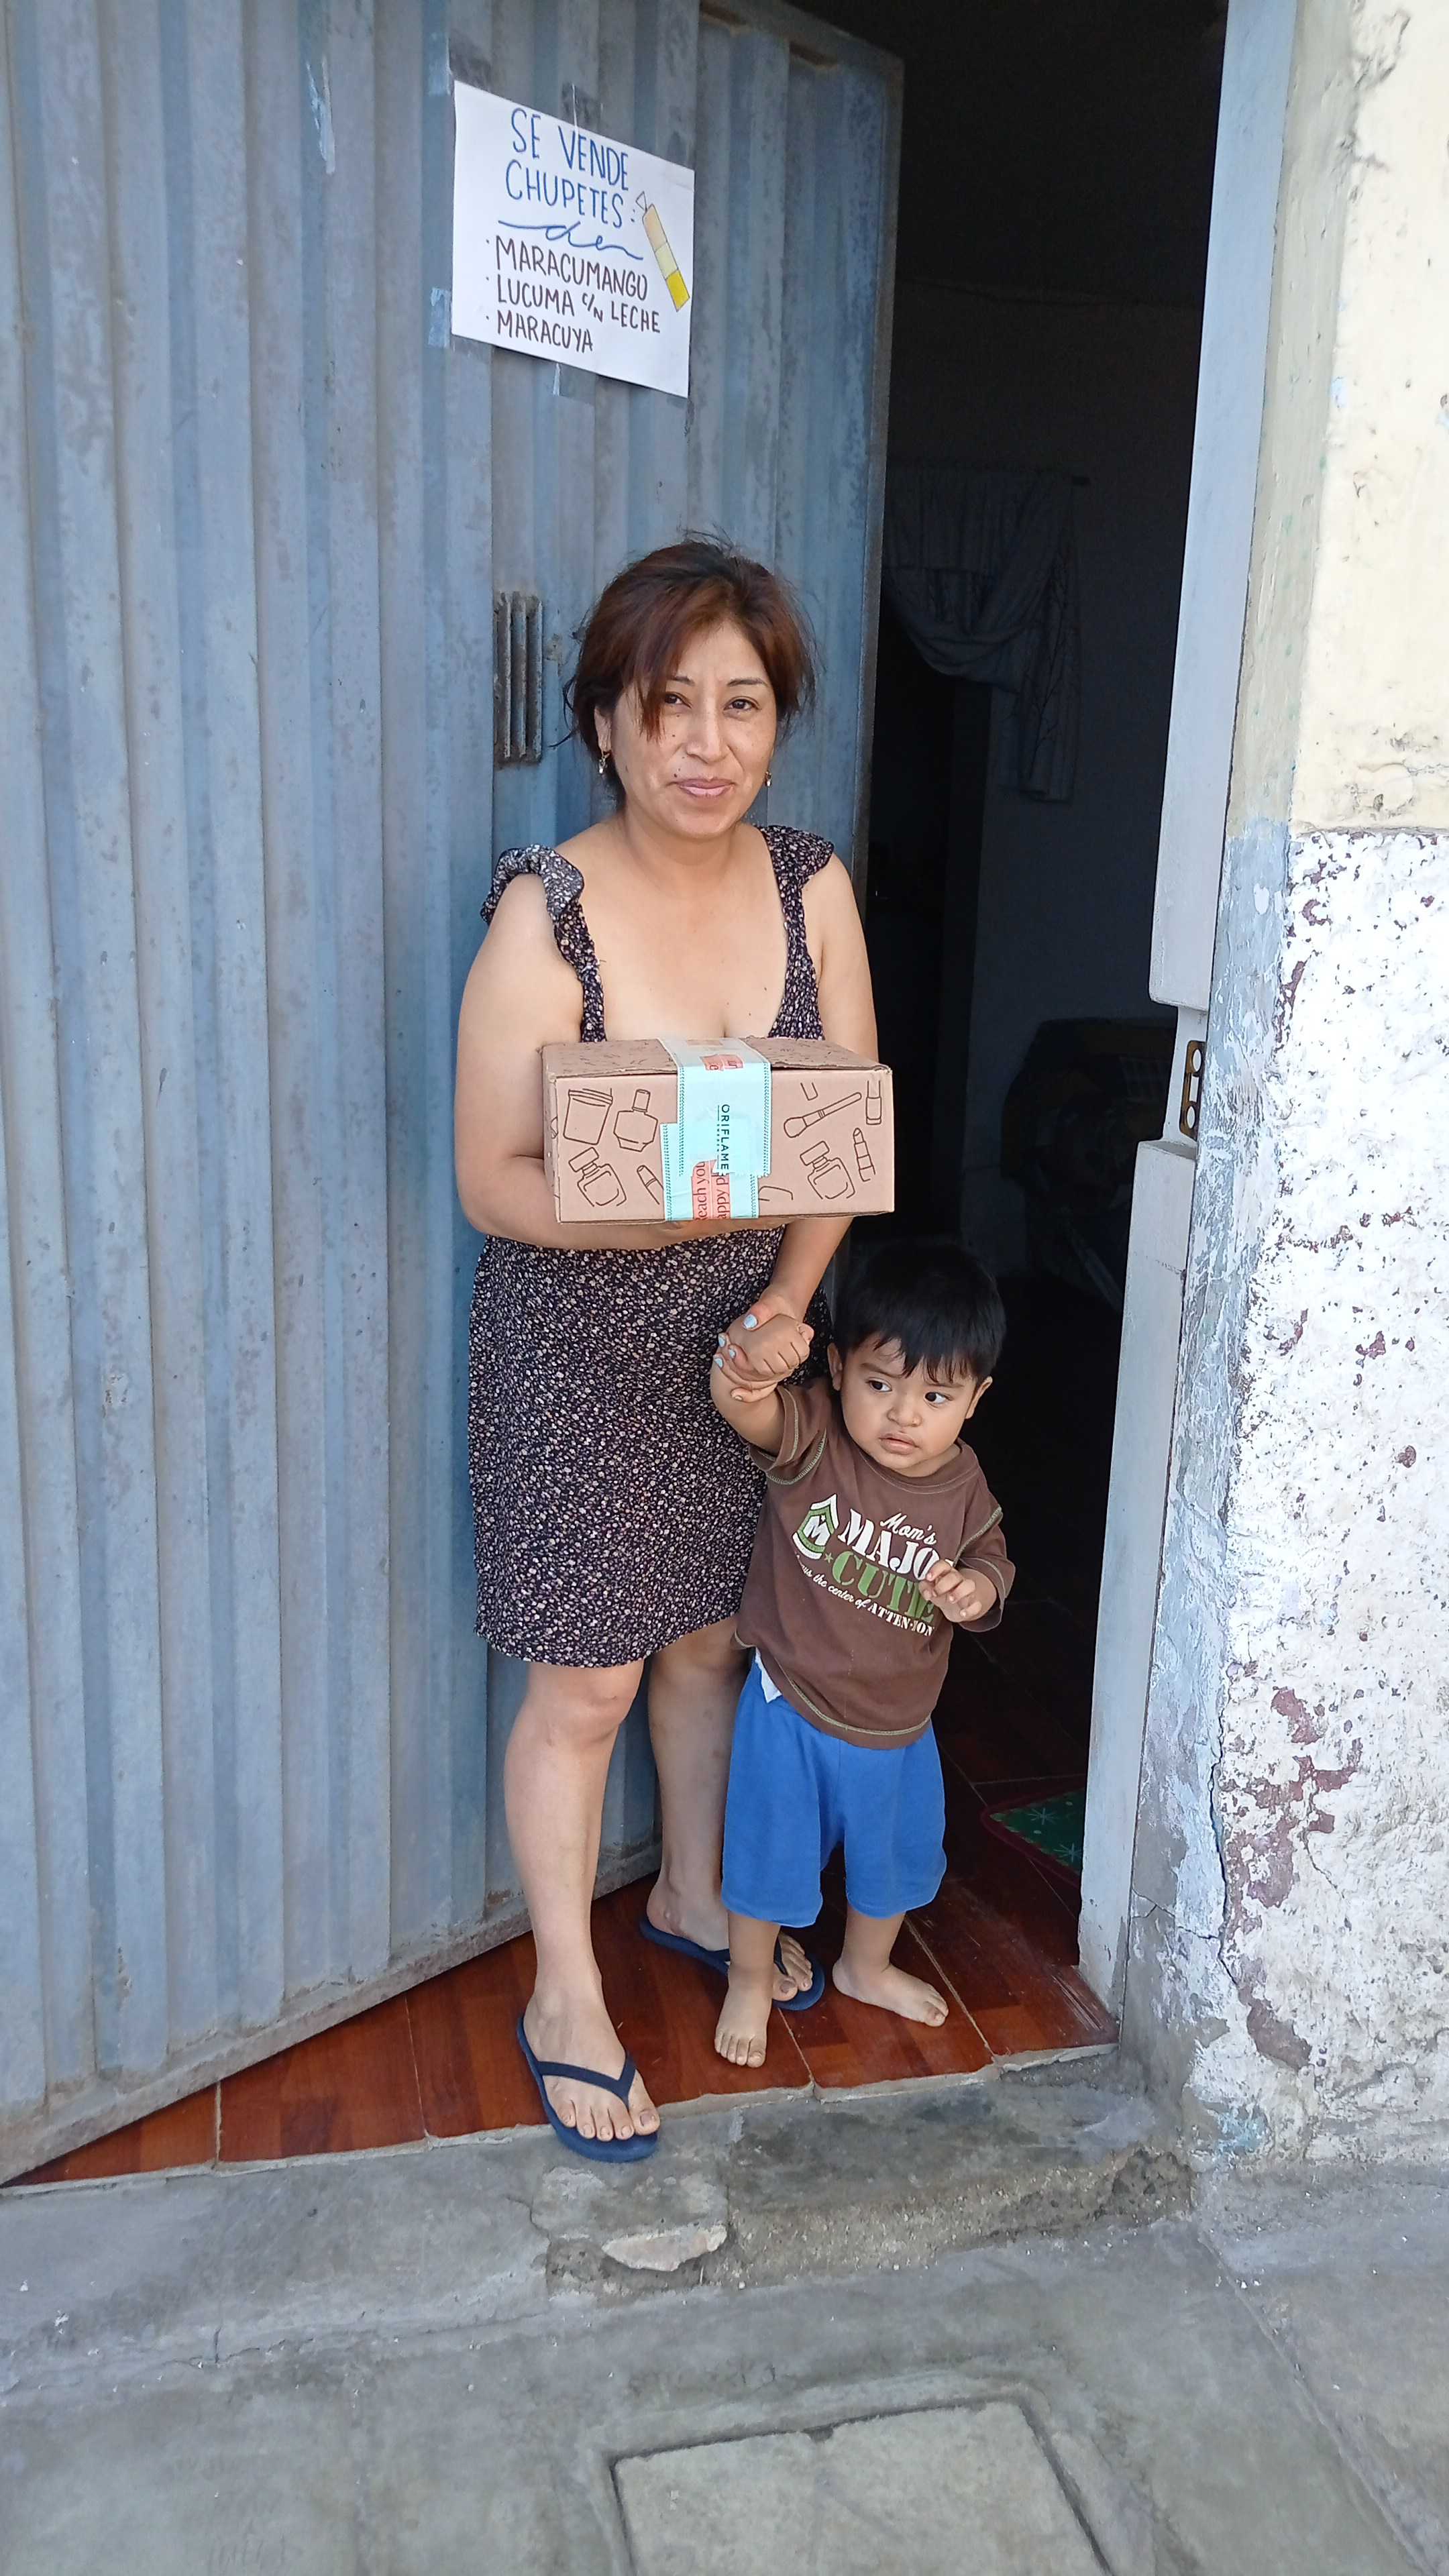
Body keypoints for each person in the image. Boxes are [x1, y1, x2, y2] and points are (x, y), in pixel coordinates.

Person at [454, 537, 878, 2161]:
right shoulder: (543, 910)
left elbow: (842, 1130)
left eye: (742, 704)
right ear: (605, 725)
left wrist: (783, 1311)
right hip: (576, 1342)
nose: (707, 742)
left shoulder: (811, 885)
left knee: (710, 1636)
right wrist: (661, 1229)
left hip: (745, 1338)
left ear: (777, 723)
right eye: (668, 703)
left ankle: (695, 1894)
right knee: (590, 1678)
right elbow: (491, 1179)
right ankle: (564, 1994)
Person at [706, 1237, 1014, 2068]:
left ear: (975, 1400)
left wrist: (975, 1590)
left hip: (898, 1726)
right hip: (791, 1707)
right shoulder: (814, 1437)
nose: (903, 1416)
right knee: (768, 1854)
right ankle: (747, 1977)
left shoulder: (964, 1487)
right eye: (880, 1385)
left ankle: (865, 1967)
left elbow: (993, 1560)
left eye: (935, 1396)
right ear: (839, 1368)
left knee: (893, 1858)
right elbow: (743, 1406)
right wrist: (752, 1363)